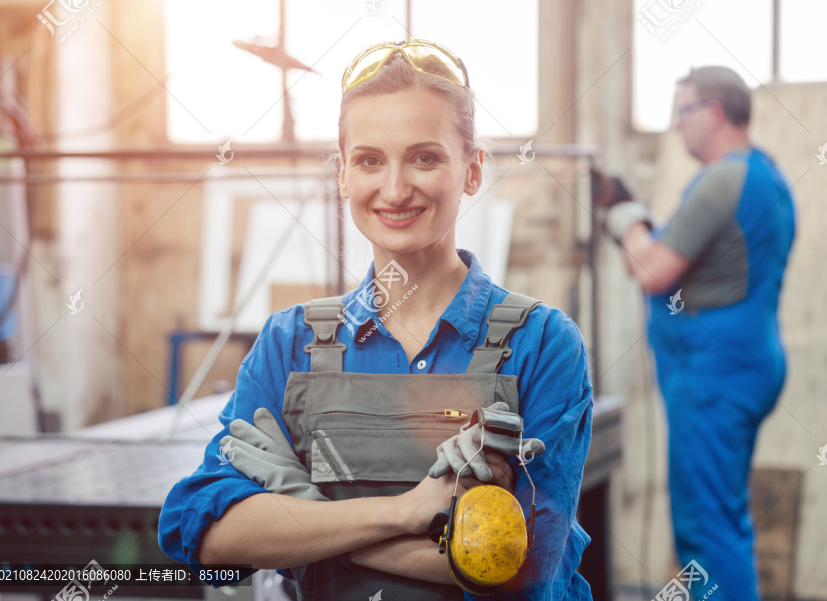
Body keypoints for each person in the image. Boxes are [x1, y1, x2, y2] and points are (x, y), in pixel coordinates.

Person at [159, 39, 594, 600]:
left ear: (472, 169)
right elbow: (204, 531)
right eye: (369, 161)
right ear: (343, 175)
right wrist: (406, 512)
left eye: (424, 157)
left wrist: (306, 516)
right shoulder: (290, 343)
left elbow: (526, 567)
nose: (394, 189)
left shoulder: (542, 344)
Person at [601, 66, 796, 600]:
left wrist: (623, 218)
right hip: (744, 365)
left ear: (713, 111)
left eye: (682, 111)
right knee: (722, 518)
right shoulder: (766, 175)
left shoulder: (723, 178)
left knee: (705, 531)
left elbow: (653, 270)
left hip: (715, 376)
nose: (676, 125)